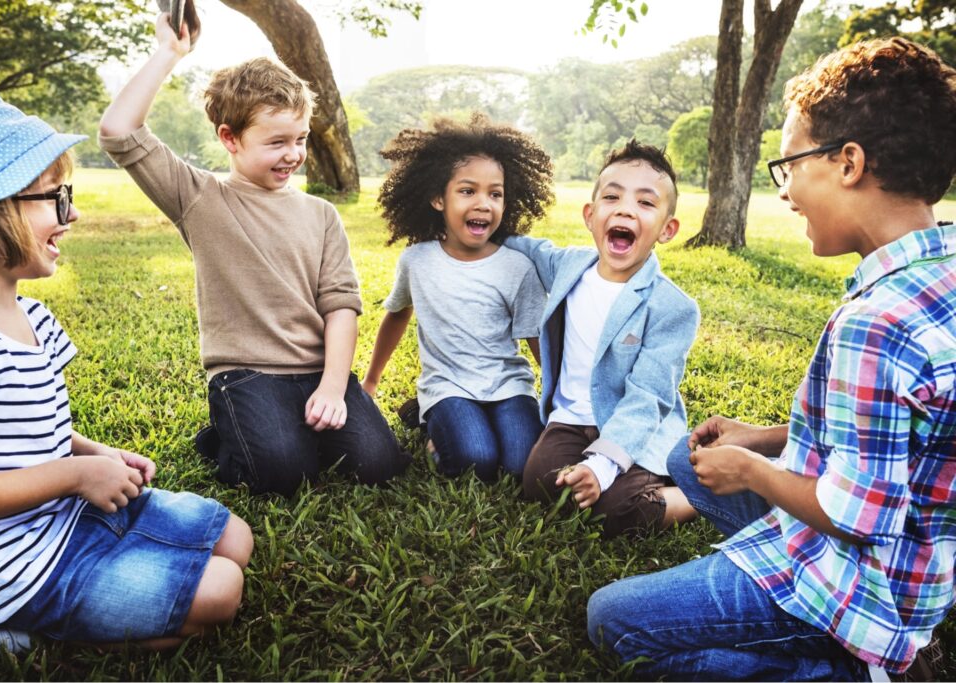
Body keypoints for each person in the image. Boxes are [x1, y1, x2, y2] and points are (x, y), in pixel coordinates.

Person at [587, 37, 956, 680]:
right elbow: (910, 429)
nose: (785, 193)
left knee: (615, 622)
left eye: (789, 167)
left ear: (848, 163)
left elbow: (857, 517)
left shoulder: (878, 324)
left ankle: (857, 669)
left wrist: (754, 471)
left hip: (860, 586)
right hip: (921, 564)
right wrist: (766, 438)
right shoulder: (938, 273)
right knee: (686, 460)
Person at [0, 93, 253, 657]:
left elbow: (28, 428)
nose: (72, 214)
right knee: (221, 591)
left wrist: (92, 453)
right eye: (52, 199)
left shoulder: (32, 316)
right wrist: (73, 477)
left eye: (69, 195)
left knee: (236, 540)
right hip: (3, 564)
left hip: (64, 516)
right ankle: (7, 632)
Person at [98, 13, 408, 497]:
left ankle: (292, 428)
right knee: (282, 475)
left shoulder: (322, 214)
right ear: (230, 138)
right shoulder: (199, 197)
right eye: (277, 142)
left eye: (300, 139)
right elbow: (118, 131)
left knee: (379, 464)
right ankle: (226, 435)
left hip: (317, 370)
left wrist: (331, 387)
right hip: (246, 375)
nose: (293, 154)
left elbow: (341, 307)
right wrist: (170, 53)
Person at [506, 140, 700, 538]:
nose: (626, 209)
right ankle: (600, 476)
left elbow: (648, 396)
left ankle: (692, 493)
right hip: (571, 420)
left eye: (646, 203)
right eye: (612, 197)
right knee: (540, 484)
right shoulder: (569, 266)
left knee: (616, 510)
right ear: (591, 216)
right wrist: (479, 229)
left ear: (667, 229)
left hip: (633, 426)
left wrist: (601, 465)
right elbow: (526, 246)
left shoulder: (672, 307)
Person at [361, 116, 551, 481]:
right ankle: (434, 430)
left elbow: (535, 337)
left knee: (519, 466)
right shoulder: (417, 260)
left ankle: (446, 425)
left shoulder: (517, 267)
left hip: (509, 385)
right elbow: (397, 314)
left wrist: (561, 398)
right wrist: (371, 380)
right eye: (468, 191)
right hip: (448, 385)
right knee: (475, 459)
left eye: (495, 193)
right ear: (437, 198)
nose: (484, 203)